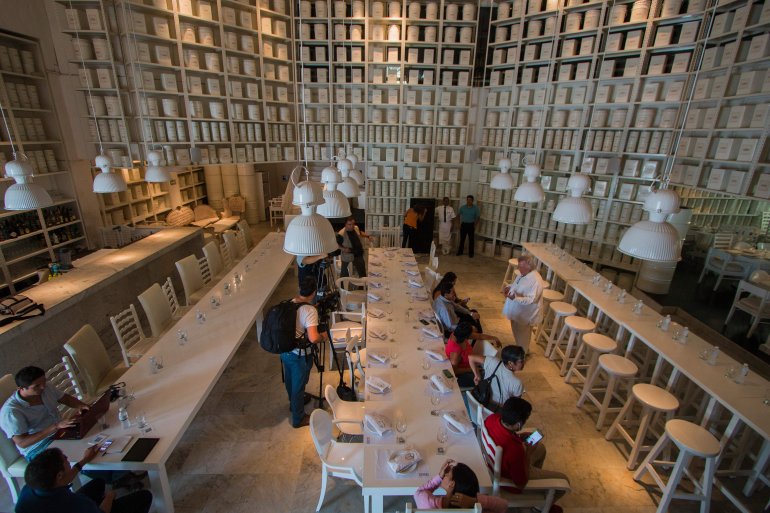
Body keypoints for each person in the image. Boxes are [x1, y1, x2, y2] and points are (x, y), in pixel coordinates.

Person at [483, 397, 569, 511]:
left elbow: (502, 435)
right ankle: (538, 508)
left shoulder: (492, 418)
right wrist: (528, 453)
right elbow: (521, 484)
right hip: (511, 481)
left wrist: (518, 436)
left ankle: (538, 489)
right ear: (518, 424)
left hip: (496, 464)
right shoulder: (515, 450)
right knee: (564, 481)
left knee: (541, 449)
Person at [15, 447, 152, 513]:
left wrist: (84, 460)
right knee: (145, 496)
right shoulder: (71, 503)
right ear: (59, 475)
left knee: (98, 482)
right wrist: (110, 496)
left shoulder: (31, 487)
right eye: (65, 459)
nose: (68, 458)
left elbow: (65, 478)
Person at [0, 366, 89, 461]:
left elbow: (65, 399)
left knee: (94, 437)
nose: (43, 387)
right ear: (21, 388)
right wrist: (56, 426)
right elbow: (22, 442)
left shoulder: (46, 387)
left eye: (44, 382)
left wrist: (81, 406)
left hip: (61, 433)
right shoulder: (12, 411)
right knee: (80, 455)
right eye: (36, 386)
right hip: (38, 447)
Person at [281, 277, 327, 428]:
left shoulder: (290, 302)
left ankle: (293, 404)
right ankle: (298, 418)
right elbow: (313, 338)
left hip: (285, 350)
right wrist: (324, 337)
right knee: (299, 385)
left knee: (290, 381)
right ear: (314, 292)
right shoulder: (309, 310)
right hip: (298, 355)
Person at [414, 459, 507, 513]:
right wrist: (474, 502)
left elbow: (418, 492)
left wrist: (438, 477)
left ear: (452, 484)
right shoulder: (474, 505)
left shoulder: (428, 504)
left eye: (447, 474)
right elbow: (503, 505)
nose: (445, 475)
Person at [501, 254, 544, 353]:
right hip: (517, 310)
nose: (519, 268)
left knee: (523, 335)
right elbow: (518, 283)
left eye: (521, 266)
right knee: (516, 331)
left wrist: (515, 297)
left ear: (529, 266)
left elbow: (532, 299)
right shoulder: (524, 273)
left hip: (526, 313)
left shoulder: (536, 280)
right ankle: (520, 349)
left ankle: (522, 354)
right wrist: (510, 287)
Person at [468, 345, 526, 409]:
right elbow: (514, 404)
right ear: (510, 363)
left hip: (480, 399)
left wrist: (477, 375)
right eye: (521, 361)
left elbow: (471, 357)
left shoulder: (492, 360)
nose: (524, 362)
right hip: (496, 409)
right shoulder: (517, 382)